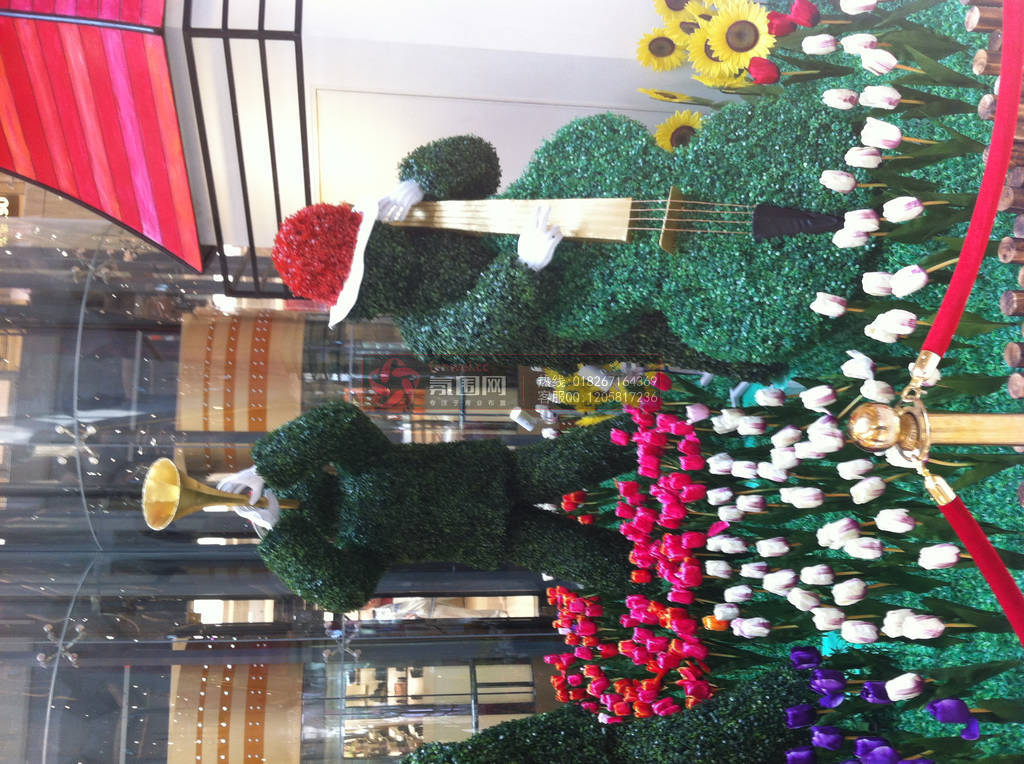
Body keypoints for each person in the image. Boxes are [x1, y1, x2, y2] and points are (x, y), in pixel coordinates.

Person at [271, 93, 865, 380]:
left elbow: (478, 157)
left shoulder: (415, 216)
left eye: (370, 246)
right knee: (687, 334)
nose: (383, 256)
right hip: (588, 308)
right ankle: (835, 334)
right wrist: (521, 270)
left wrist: (419, 177)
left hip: (572, 217)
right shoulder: (424, 331)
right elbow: (473, 332)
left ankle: (820, 187)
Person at [218, 400, 639, 613]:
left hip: (502, 480)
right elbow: (341, 591)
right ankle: (662, 571)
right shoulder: (357, 541)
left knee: (599, 453)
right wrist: (279, 535)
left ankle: (663, 428)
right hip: (501, 527)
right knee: (601, 559)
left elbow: (338, 422)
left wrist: (266, 466)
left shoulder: (357, 467)